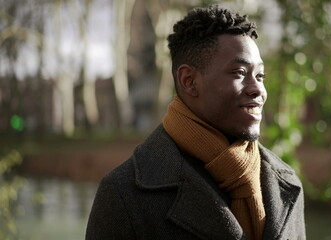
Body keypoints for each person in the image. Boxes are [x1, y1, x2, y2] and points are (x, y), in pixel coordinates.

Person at [86, 5, 305, 240]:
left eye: (260, 75)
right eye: (239, 73)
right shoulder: (124, 194)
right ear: (189, 81)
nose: (258, 89)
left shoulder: (286, 183)